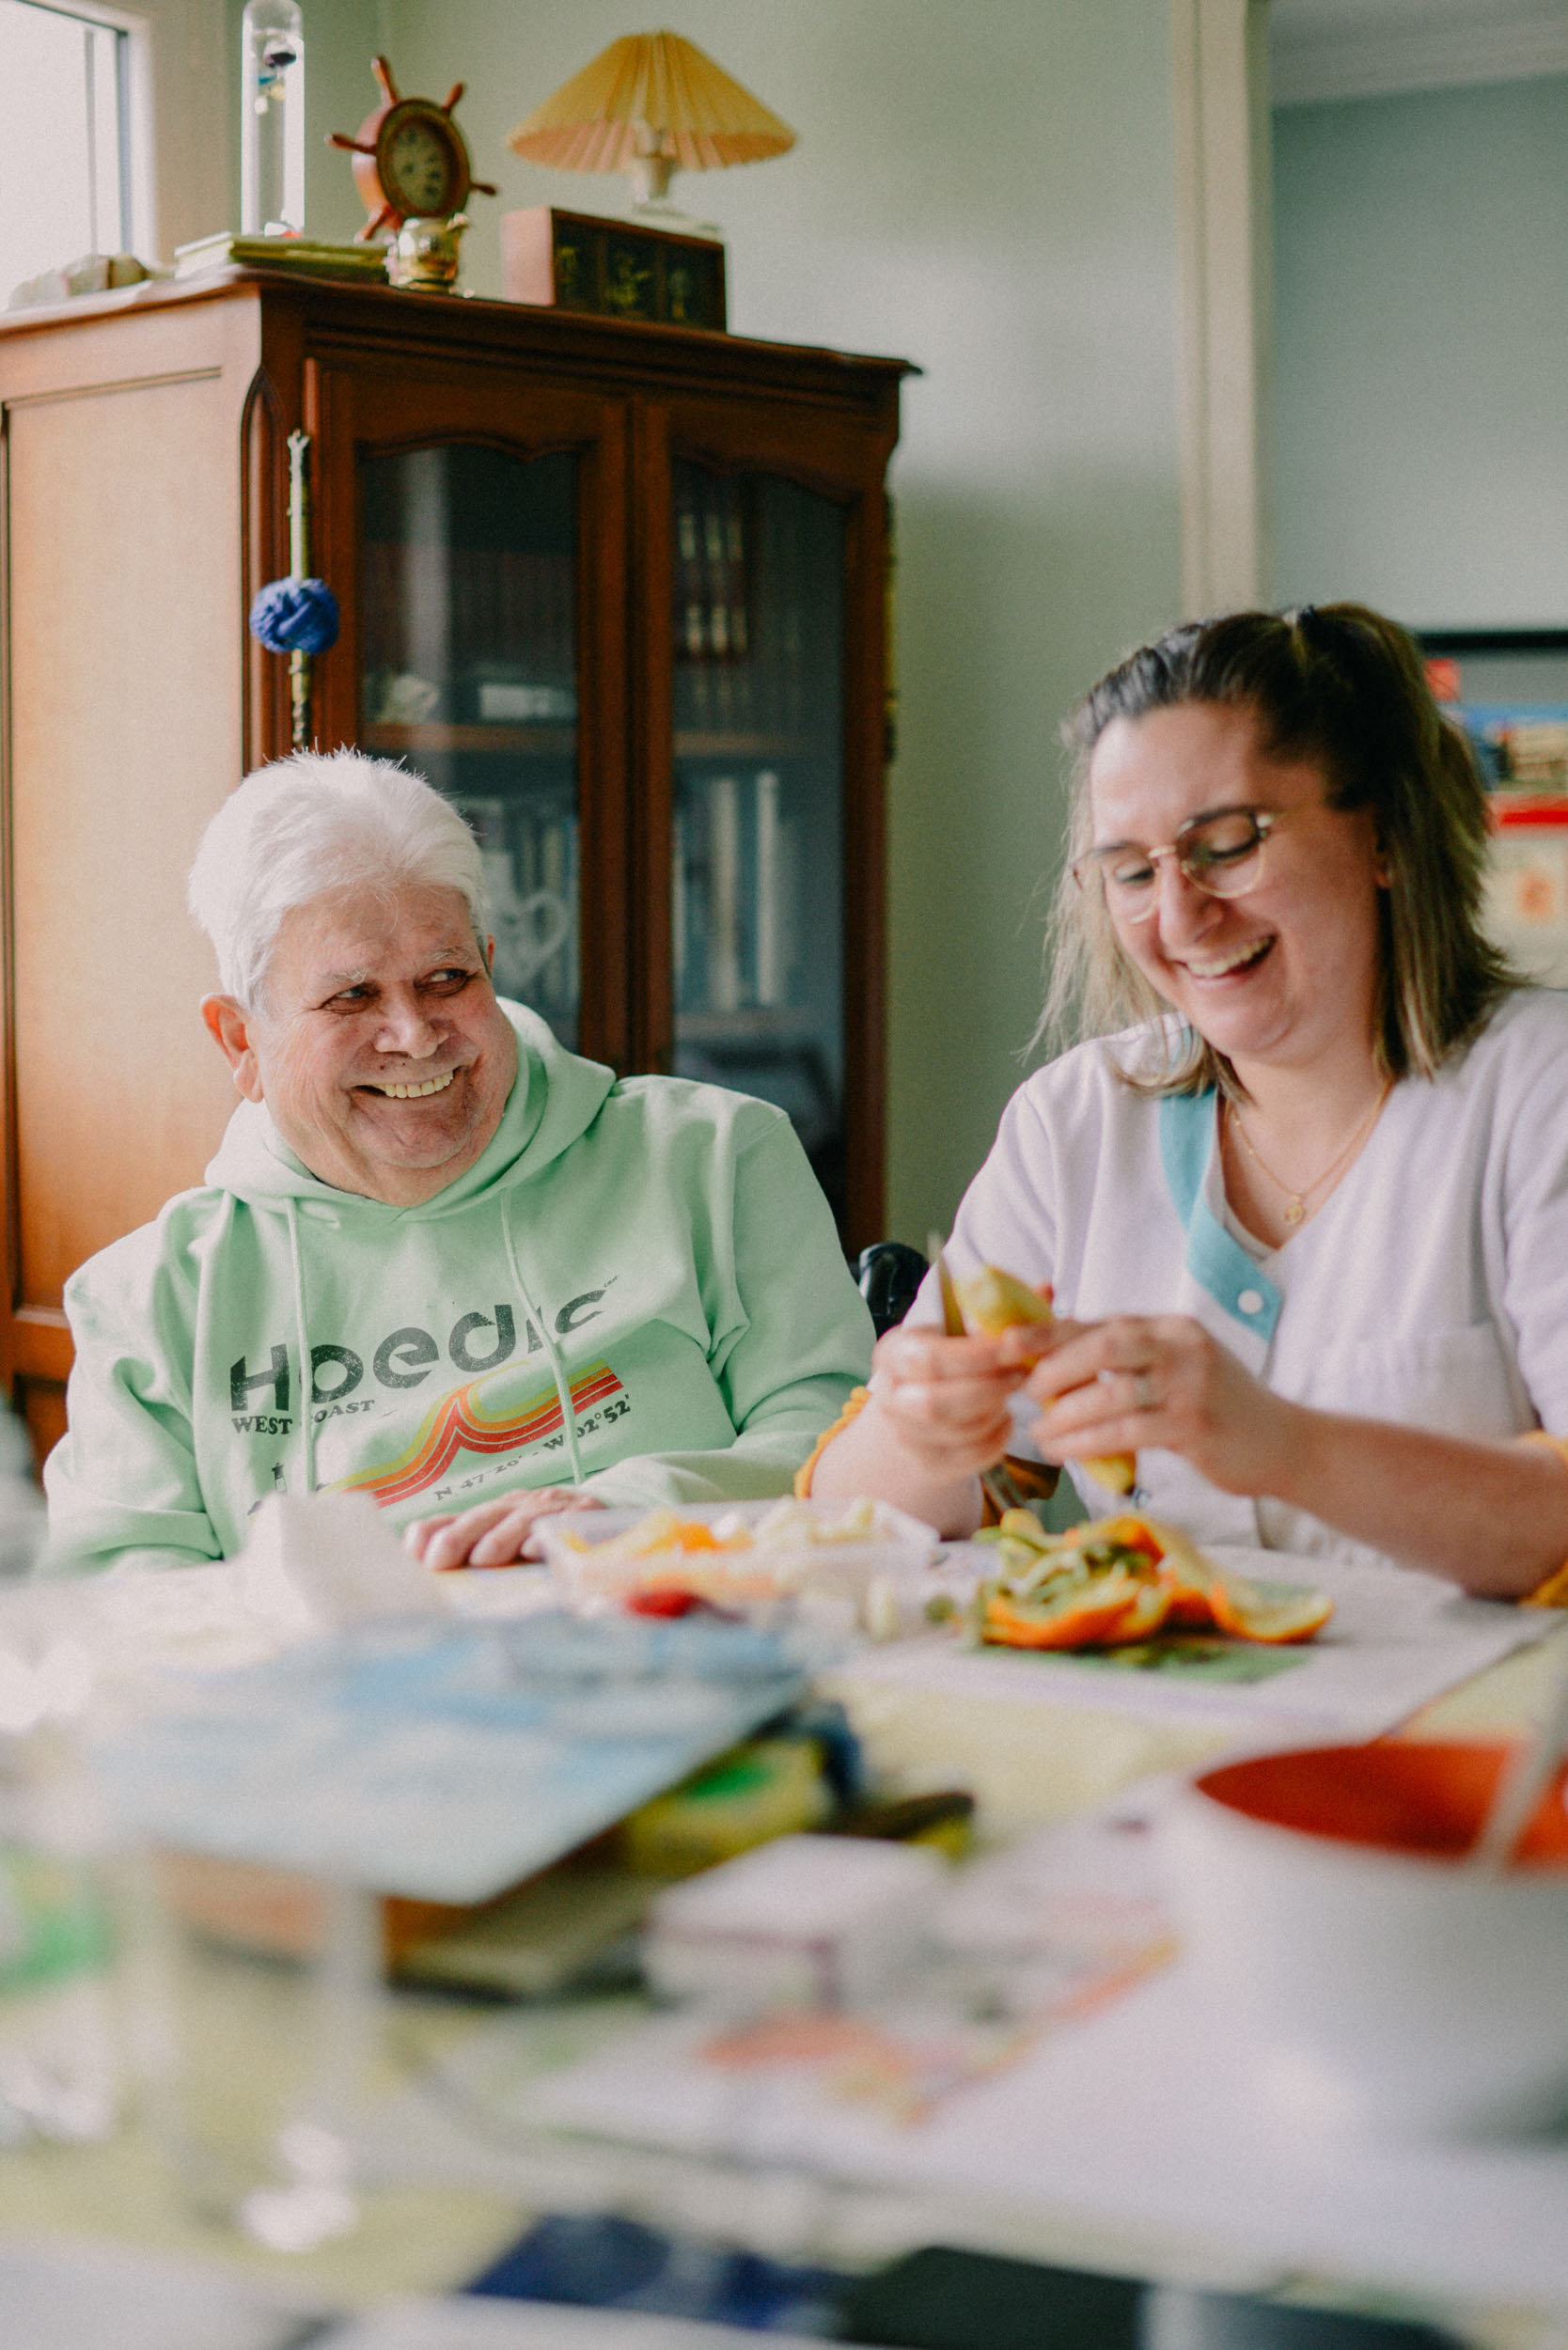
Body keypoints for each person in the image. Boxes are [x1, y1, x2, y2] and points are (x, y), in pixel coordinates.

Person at [809, 603, 1568, 1600]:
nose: (1179, 918)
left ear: (1385, 831)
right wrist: (920, 1428)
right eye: (1131, 870)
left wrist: (1285, 1446)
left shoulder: (1539, 1092)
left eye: (1228, 843)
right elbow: (849, 1519)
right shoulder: (1076, 1122)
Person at [43, 751, 872, 1574]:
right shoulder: (149, 1303)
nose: (414, 1035)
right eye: (352, 996)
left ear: (491, 966)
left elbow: (843, 1441)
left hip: (679, 1633)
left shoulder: (714, 1158)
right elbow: (128, 1609)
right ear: (240, 1041)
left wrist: (631, 1512)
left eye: (446, 978)